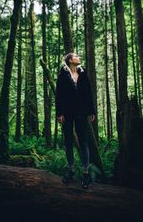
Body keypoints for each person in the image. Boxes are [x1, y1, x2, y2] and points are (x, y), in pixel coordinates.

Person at [55, 52, 95, 189]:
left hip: (82, 112)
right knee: (68, 141)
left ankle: (85, 173)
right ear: (70, 60)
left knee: (83, 142)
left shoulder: (83, 74)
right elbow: (59, 95)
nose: (79, 57)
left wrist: (91, 111)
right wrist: (59, 113)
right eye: (76, 56)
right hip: (67, 113)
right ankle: (71, 170)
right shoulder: (62, 76)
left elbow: (89, 93)